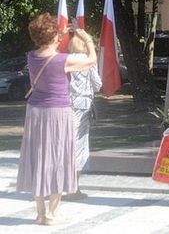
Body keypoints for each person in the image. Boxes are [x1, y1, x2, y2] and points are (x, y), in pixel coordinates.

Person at [16, 13, 97, 225]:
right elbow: (92, 60)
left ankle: (40, 213)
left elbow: (47, 48)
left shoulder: (31, 57)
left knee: (38, 158)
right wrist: (87, 38)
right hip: (58, 112)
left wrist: (58, 34)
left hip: (35, 111)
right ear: (53, 36)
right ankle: (53, 213)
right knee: (58, 159)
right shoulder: (63, 60)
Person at [64, 34, 102, 201]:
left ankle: (60, 185)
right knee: (79, 146)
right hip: (82, 106)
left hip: (65, 105)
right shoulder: (87, 61)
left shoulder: (65, 59)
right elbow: (98, 84)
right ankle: (73, 188)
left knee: (65, 145)